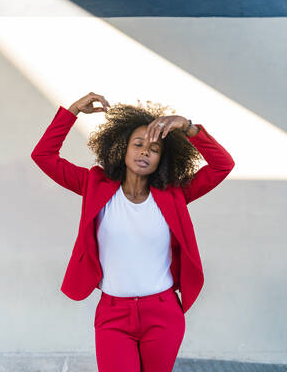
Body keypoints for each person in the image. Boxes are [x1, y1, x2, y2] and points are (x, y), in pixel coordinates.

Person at [31, 92, 235, 372]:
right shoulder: (95, 185)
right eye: (138, 144)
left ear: (162, 158)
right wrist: (73, 111)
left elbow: (223, 165)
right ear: (122, 149)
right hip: (113, 314)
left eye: (154, 148)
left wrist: (188, 127)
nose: (144, 151)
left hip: (163, 313)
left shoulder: (175, 194)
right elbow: (43, 156)